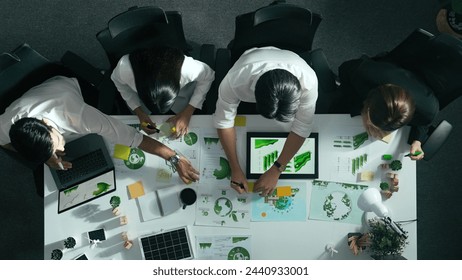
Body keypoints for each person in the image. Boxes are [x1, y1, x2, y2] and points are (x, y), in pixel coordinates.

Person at [0, 75, 199, 184]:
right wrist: (48, 157)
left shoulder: (79, 116)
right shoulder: (4, 127)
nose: (60, 150)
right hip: (35, 95)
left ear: (47, 123)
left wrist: (174, 158)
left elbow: (135, 138)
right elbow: (6, 144)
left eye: (55, 144)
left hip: (69, 86)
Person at [213, 46, 318, 196]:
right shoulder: (236, 80)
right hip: (250, 57)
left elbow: (302, 127)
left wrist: (277, 169)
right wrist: (235, 168)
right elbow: (224, 121)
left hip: (293, 58)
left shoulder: (309, 81)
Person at [338, 56, 440, 161]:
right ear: (368, 105)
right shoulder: (363, 73)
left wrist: (417, 141)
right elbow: (343, 69)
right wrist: (360, 109)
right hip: (384, 72)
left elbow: (423, 123)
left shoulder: (429, 111)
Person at [111, 46, 215, 137]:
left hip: (183, 97)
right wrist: (139, 112)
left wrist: (189, 111)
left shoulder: (188, 68)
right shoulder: (124, 69)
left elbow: (209, 75)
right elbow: (118, 82)